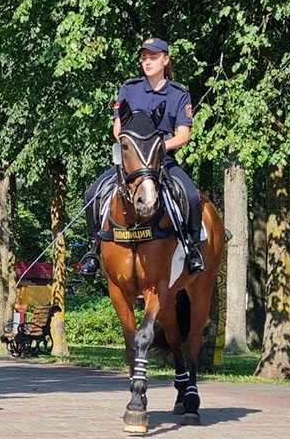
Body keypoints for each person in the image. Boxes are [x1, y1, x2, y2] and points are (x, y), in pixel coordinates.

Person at [80, 37, 205, 277]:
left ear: (165, 59)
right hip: (132, 163)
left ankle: (193, 249)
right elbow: (118, 129)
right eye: (144, 57)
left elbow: (183, 135)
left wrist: (157, 148)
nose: (147, 62)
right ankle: (94, 250)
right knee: (92, 193)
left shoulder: (179, 94)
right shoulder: (129, 89)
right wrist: (136, 149)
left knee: (191, 196)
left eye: (153, 57)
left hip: (162, 160)